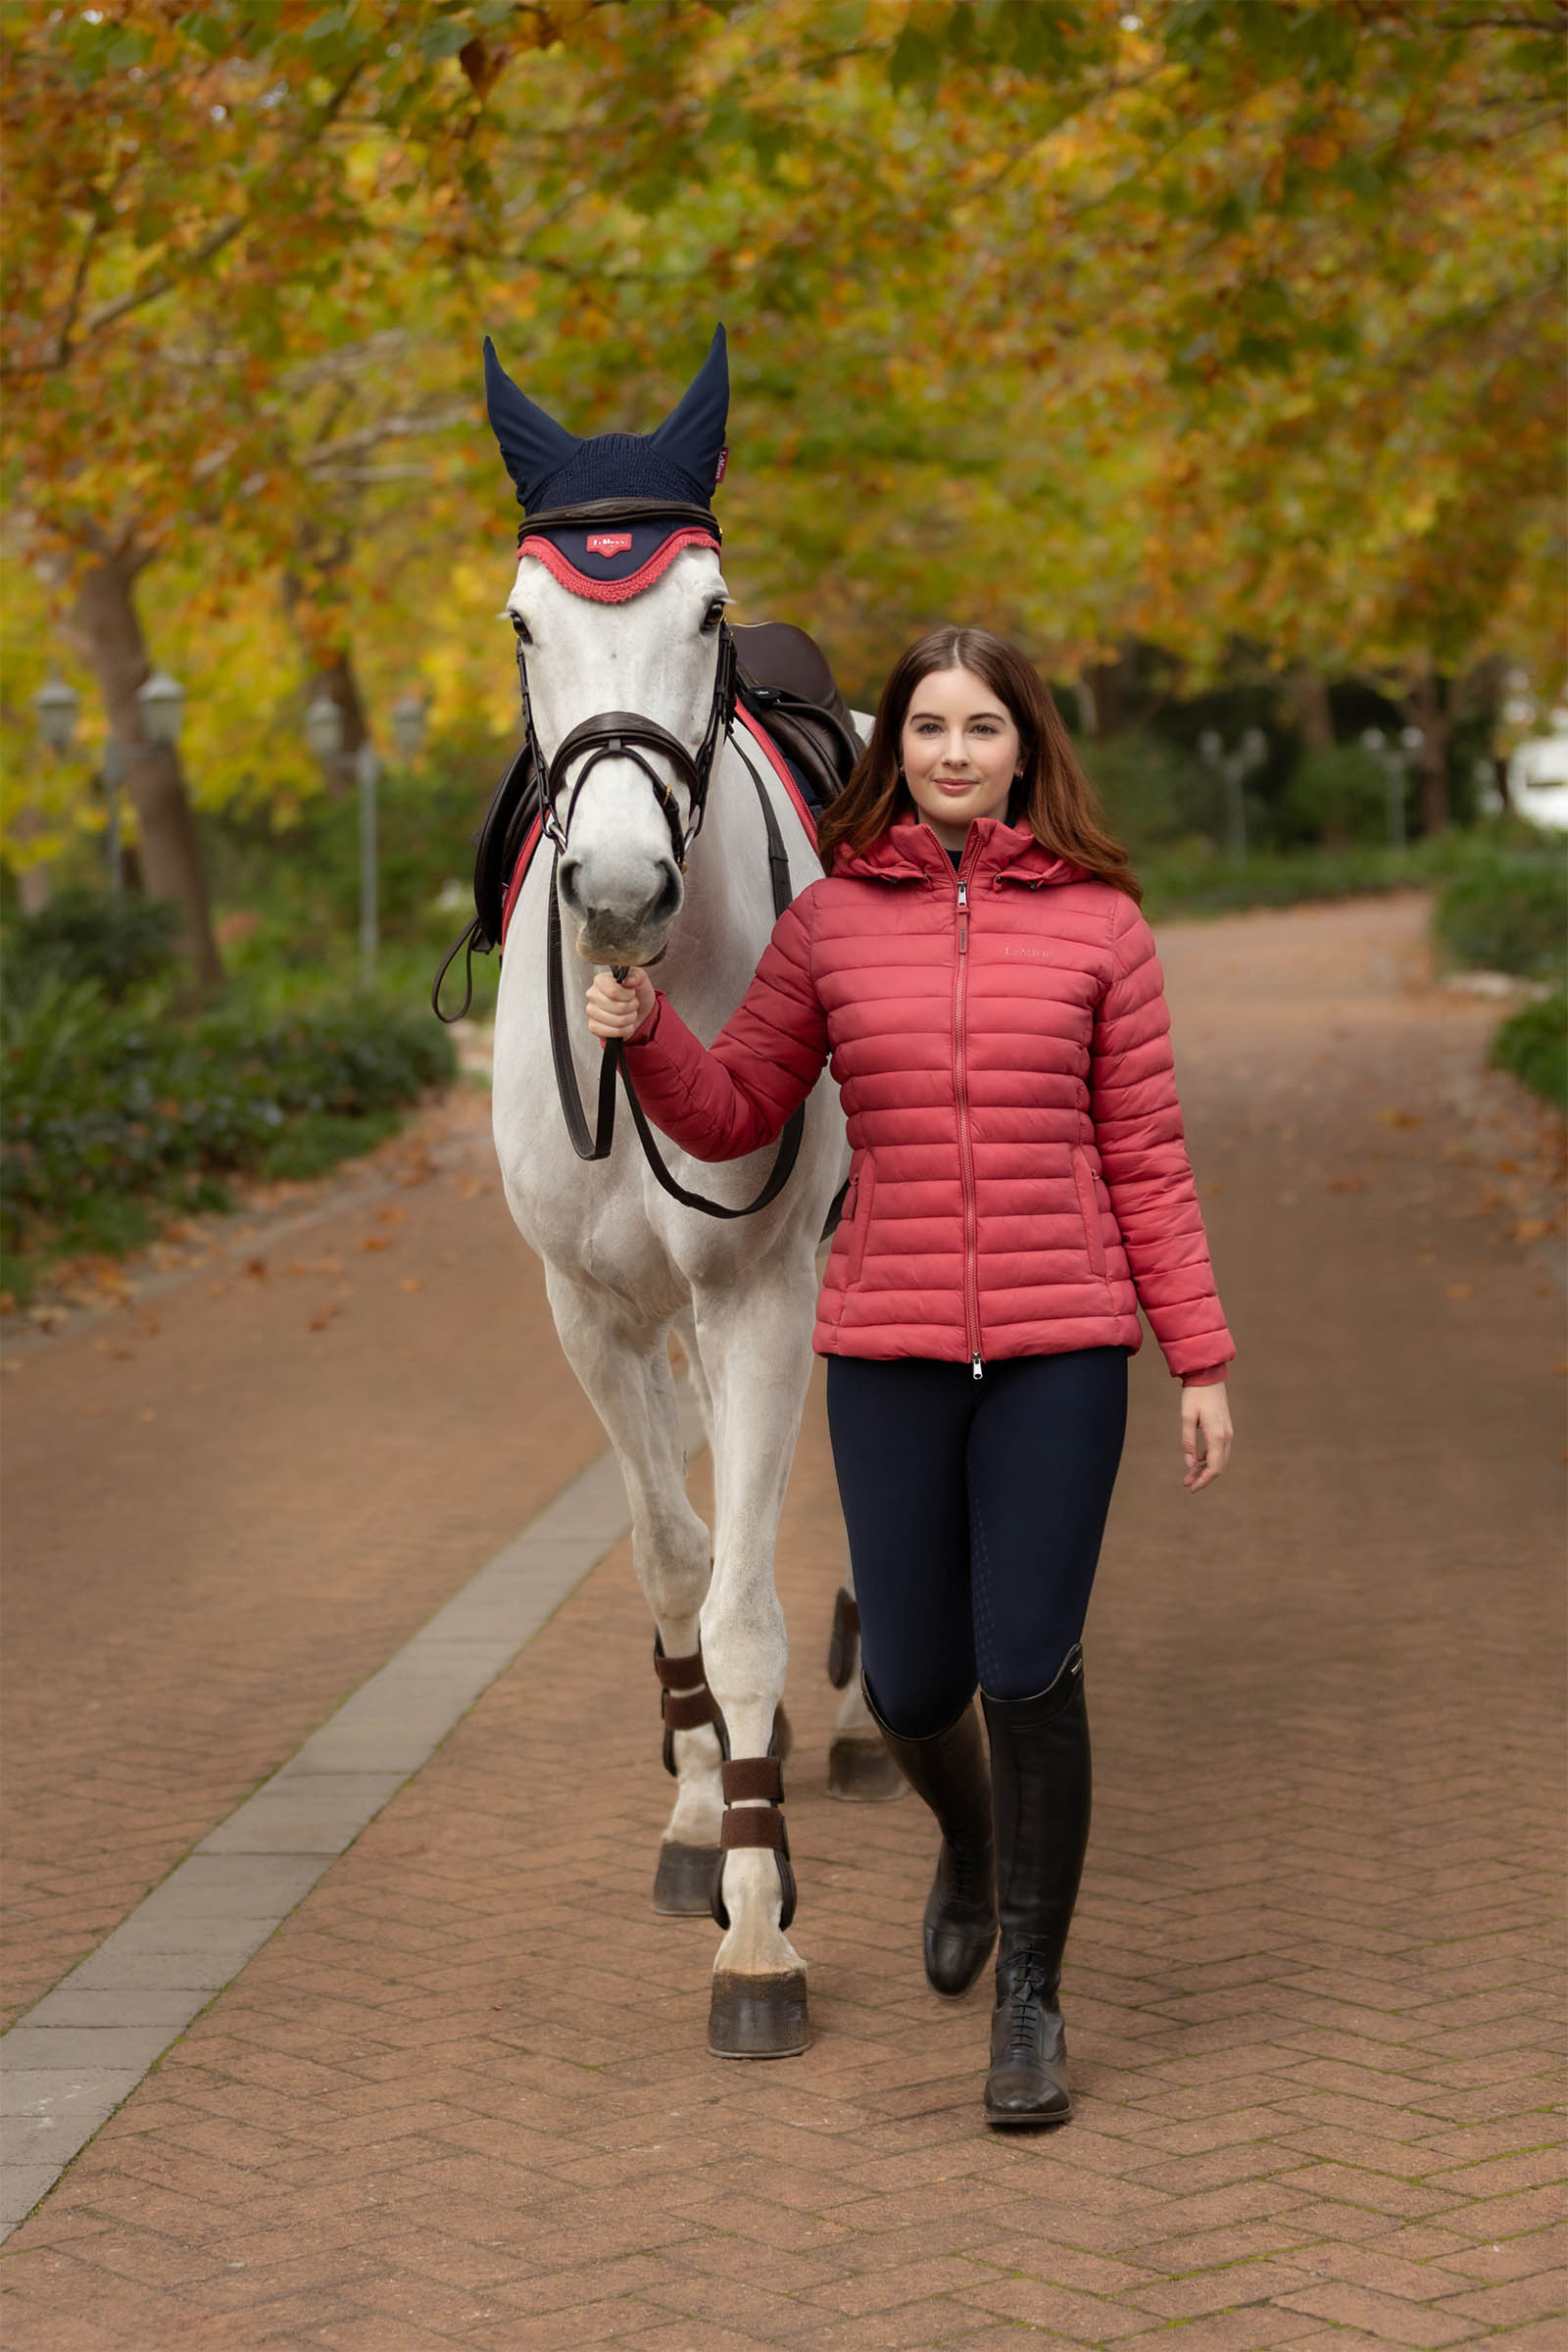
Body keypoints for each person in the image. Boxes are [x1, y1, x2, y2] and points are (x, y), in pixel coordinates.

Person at [586, 625, 1235, 2126]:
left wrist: (1198, 1357)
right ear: (898, 750)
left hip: (1063, 1349)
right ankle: (973, 1841)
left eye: (982, 728)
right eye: (930, 727)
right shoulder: (831, 926)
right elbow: (740, 1109)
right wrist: (648, 1035)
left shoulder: (1101, 926)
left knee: (1029, 1665)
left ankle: (1031, 2002)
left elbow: (1147, 1158)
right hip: (891, 1350)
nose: (954, 752)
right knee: (916, 1678)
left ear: (1025, 750)